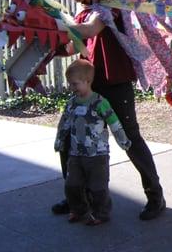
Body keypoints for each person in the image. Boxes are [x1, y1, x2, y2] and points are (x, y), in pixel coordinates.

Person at [53, 0, 165, 221]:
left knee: (129, 140)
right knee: (70, 140)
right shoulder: (83, 9)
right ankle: (76, 199)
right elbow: (74, 45)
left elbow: (92, 28)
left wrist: (52, 26)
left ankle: (155, 196)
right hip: (88, 84)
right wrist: (45, 41)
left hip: (116, 82)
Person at [54, 59, 132, 225]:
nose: (71, 88)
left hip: (98, 155)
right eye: (70, 84)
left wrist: (123, 140)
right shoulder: (72, 103)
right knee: (72, 185)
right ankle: (78, 210)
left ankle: (101, 213)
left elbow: (114, 122)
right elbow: (64, 123)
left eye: (75, 84)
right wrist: (59, 140)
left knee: (98, 187)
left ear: (87, 81)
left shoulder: (100, 102)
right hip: (76, 154)